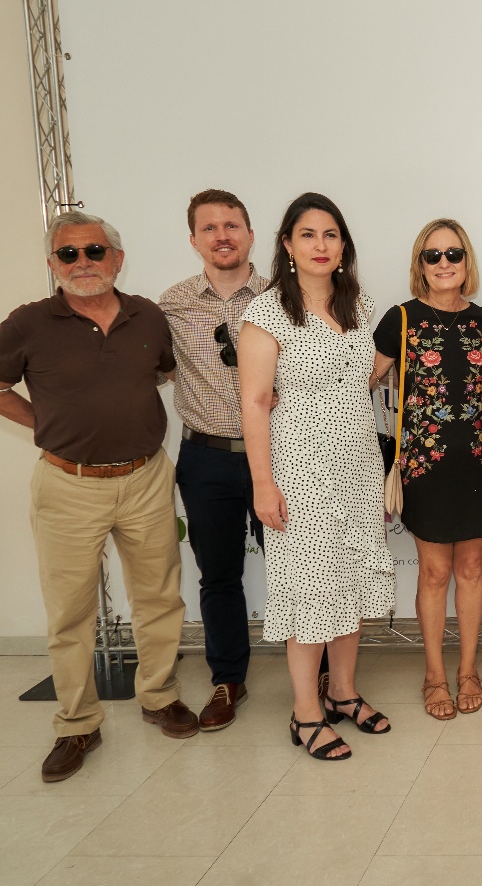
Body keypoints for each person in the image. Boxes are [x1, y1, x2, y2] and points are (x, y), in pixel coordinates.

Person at [0, 211, 198, 782]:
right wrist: (45, 424)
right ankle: (77, 723)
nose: (82, 263)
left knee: (159, 596)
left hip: (146, 477)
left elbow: (163, 373)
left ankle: (159, 696)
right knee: (70, 611)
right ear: (52, 264)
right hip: (67, 486)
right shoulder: (27, 323)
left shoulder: (149, 315)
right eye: (67, 254)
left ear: (116, 259)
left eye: (94, 251)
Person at [239, 192, 395, 761]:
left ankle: (343, 693)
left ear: (343, 245)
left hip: (358, 464)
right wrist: (263, 483)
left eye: (331, 235)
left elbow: (366, 378)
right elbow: (255, 402)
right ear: (287, 244)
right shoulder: (267, 312)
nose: (320, 245)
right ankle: (305, 712)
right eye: (307, 234)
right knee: (310, 589)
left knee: (348, 581)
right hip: (299, 470)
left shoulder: (359, 304)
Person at [372, 219, 482, 720]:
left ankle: (468, 670)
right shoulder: (400, 320)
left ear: (467, 261)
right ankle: (433, 675)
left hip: (479, 464)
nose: (444, 263)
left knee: (471, 570)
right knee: (434, 572)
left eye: (453, 254)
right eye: (433, 255)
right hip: (425, 467)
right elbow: (363, 382)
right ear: (420, 264)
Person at [159, 189, 267, 731]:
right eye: (210, 227)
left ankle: (321, 673)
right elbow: (151, 370)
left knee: (300, 566)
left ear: (250, 234)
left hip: (279, 456)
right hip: (206, 458)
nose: (222, 236)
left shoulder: (281, 297)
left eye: (231, 225)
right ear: (194, 239)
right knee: (218, 576)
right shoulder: (171, 305)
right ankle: (228, 679)